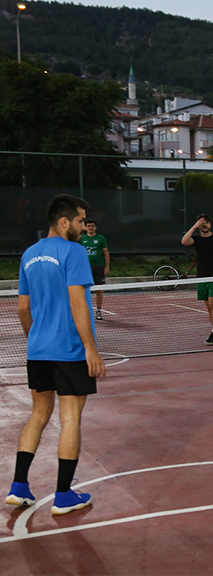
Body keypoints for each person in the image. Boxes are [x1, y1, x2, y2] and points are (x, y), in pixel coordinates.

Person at [6, 194, 106, 516]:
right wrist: (91, 347)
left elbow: (23, 308)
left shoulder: (29, 255)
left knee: (38, 414)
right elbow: (78, 303)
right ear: (64, 222)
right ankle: (63, 495)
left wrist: (36, 338)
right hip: (70, 351)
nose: (83, 227)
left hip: (38, 350)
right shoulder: (74, 251)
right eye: (79, 221)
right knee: (70, 417)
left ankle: (19, 487)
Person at [181, 214, 213, 345]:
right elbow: (184, 241)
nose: (205, 225)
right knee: (209, 307)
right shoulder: (197, 240)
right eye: (202, 223)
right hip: (201, 277)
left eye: (207, 222)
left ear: (210, 225)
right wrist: (194, 226)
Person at [79, 219, 110, 320]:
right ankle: (84, 311)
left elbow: (105, 252)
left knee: (99, 290)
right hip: (86, 268)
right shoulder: (82, 239)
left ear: (95, 227)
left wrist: (107, 266)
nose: (90, 227)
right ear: (85, 227)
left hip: (98, 267)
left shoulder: (100, 239)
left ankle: (98, 310)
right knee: (84, 290)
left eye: (92, 226)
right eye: (88, 226)